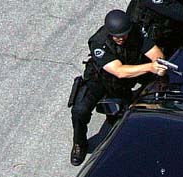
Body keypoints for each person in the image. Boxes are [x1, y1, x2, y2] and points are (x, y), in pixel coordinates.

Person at [69, 9, 167, 167]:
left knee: (126, 116)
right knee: (79, 111)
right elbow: (119, 71)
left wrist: (159, 63)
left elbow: (156, 53)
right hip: (100, 77)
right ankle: (79, 143)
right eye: (117, 36)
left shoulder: (135, 30)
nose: (121, 38)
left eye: (124, 35)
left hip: (125, 79)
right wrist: (150, 67)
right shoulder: (98, 42)